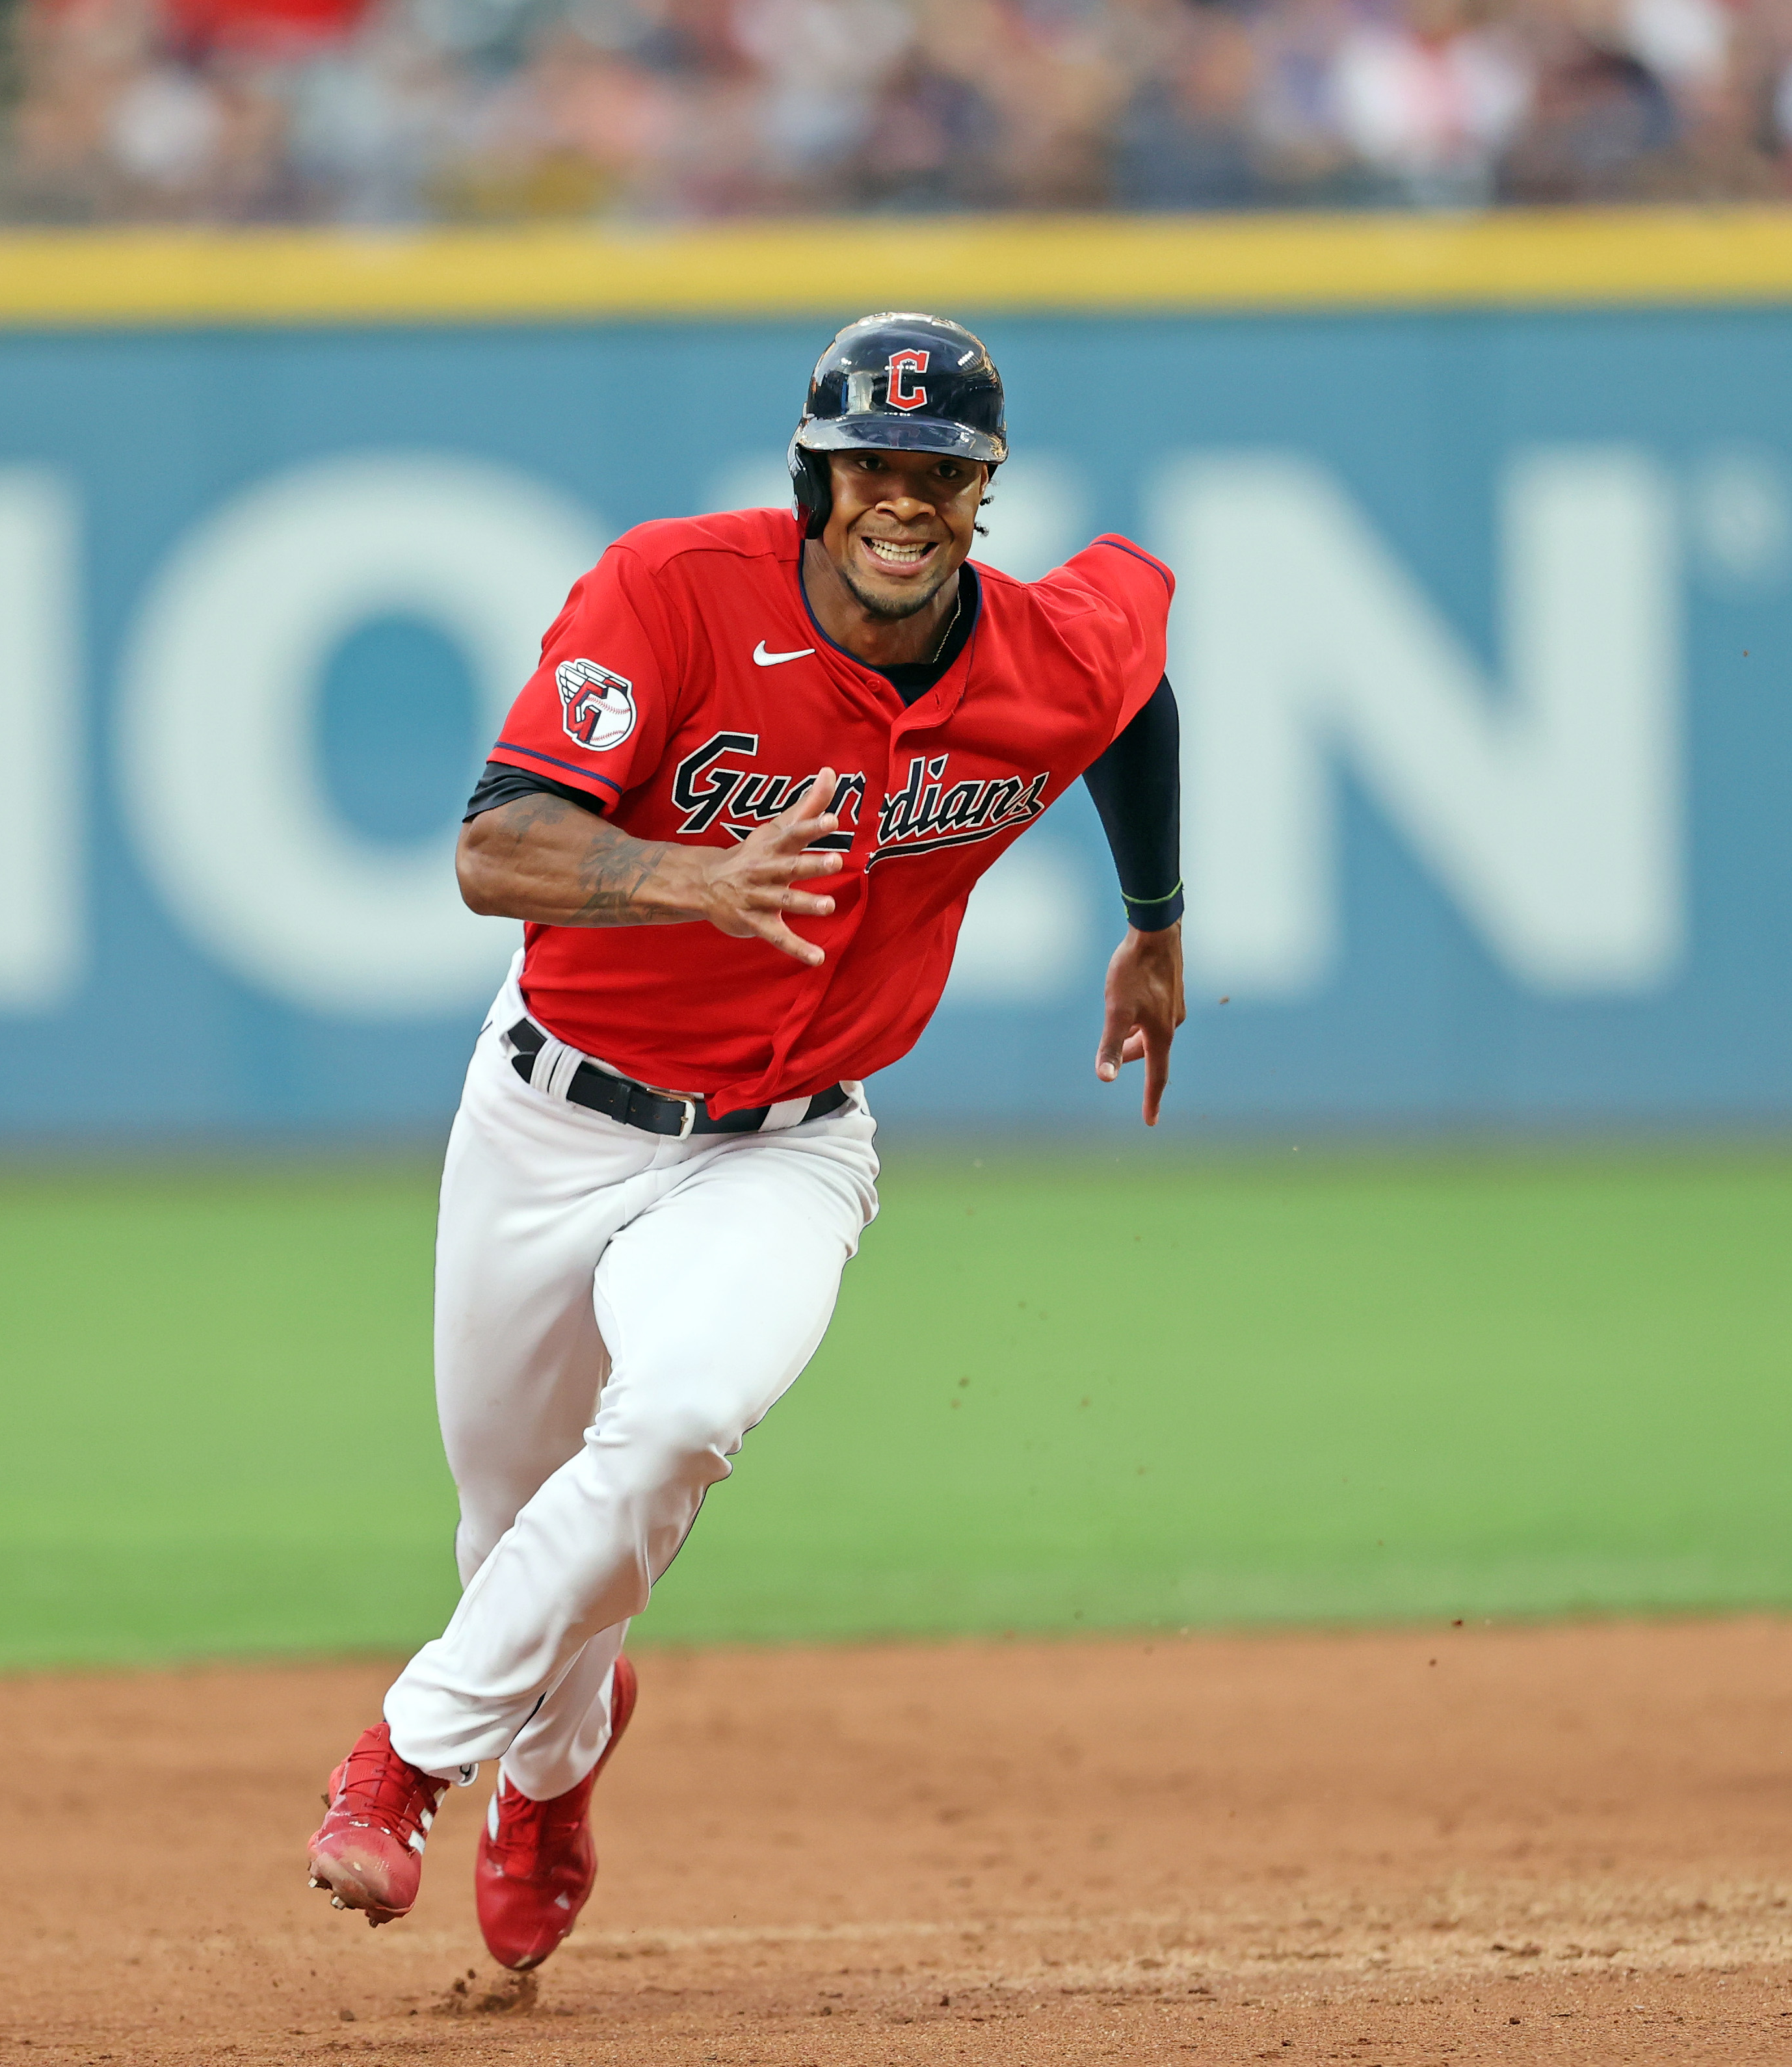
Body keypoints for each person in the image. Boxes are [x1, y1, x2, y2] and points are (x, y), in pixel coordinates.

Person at [304, 311, 1187, 1966]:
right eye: (873, 463)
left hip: (784, 1145)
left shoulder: (1043, 651)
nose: (906, 496)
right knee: (512, 1532)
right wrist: (681, 880)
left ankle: (404, 1759)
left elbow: (1131, 686)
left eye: (945, 468)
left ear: (985, 491)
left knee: (681, 1420)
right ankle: (556, 1775)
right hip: (551, 1113)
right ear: (815, 471)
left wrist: (1155, 917)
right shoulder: (669, 589)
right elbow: (495, 851)